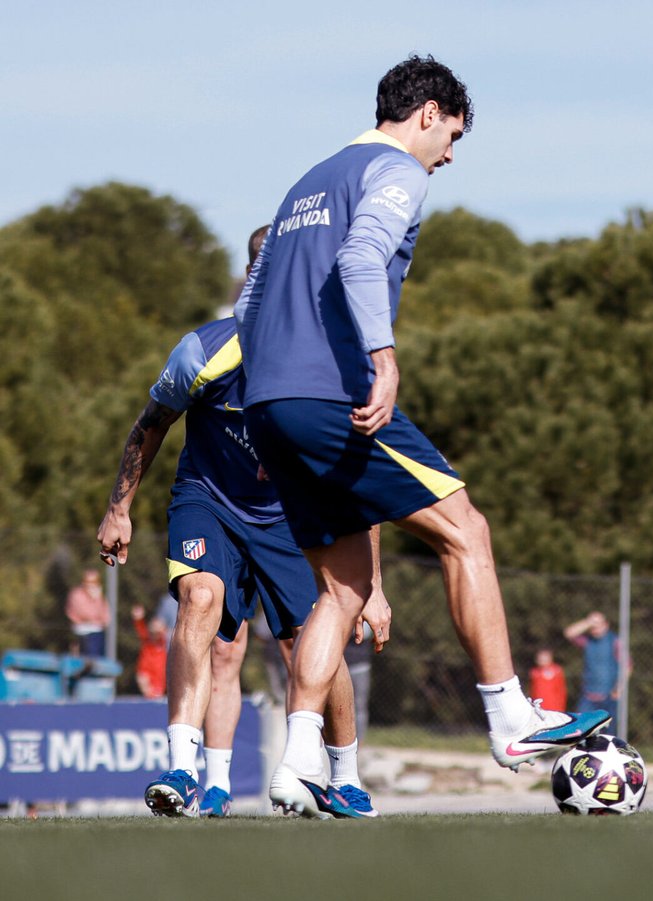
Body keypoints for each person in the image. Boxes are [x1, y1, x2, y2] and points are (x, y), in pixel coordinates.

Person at [232, 55, 608, 816]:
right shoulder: (398, 170)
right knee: (465, 528)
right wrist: (384, 358)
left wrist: (263, 413)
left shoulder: (307, 180)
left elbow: (249, 307)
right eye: (454, 134)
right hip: (332, 394)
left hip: (269, 404)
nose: (451, 154)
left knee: (340, 589)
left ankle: (297, 759)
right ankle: (509, 716)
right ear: (428, 112)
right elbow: (363, 256)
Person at [96, 226, 375, 819]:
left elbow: (359, 470)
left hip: (287, 519)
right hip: (209, 500)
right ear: (255, 281)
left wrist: (370, 586)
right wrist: (119, 508)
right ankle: (182, 768)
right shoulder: (204, 350)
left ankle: (346, 777)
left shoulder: (332, 362)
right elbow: (152, 424)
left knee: (310, 642)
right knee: (200, 600)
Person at [563, 613, 620, 714]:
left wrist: (619, 687)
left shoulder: (614, 641)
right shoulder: (587, 641)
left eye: (599, 625)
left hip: (609, 695)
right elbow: (569, 633)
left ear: (606, 625)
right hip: (588, 694)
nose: (596, 629)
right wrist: (588, 622)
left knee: (609, 728)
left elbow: (626, 666)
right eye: (593, 627)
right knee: (583, 726)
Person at [65, 569, 110, 658]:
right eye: (88, 581)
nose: (91, 585)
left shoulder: (99, 597)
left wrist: (97, 599)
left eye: (94, 582)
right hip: (81, 632)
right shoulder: (77, 594)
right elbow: (83, 613)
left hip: (96, 632)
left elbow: (105, 617)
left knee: (96, 660)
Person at [131, 606, 169, 698]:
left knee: (157, 695)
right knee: (144, 683)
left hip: (158, 674)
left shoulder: (162, 641)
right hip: (145, 671)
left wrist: (160, 628)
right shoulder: (147, 639)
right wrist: (138, 618)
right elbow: (140, 628)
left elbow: (163, 632)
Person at [528, 647, 567, 713]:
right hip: (540, 705)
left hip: (555, 706)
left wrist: (561, 706)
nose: (542, 660)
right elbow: (533, 690)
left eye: (545, 657)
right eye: (540, 658)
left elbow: (561, 690)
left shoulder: (557, 671)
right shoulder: (535, 673)